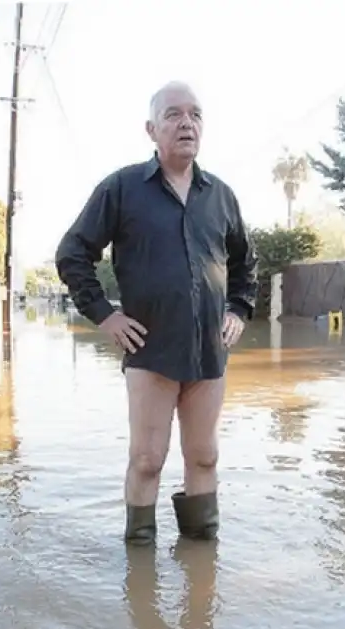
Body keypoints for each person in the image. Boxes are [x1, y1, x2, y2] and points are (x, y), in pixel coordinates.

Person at [55, 81, 258, 546]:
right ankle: (140, 565)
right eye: (173, 114)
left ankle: (201, 562)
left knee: (204, 456)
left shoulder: (221, 196)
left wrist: (240, 309)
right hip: (149, 349)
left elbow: (246, 261)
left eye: (196, 114)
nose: (187, 122)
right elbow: (73, 253)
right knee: (147, 458)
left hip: (209, 350)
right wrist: (105, 315)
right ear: (151, 129)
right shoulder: (122, 189)